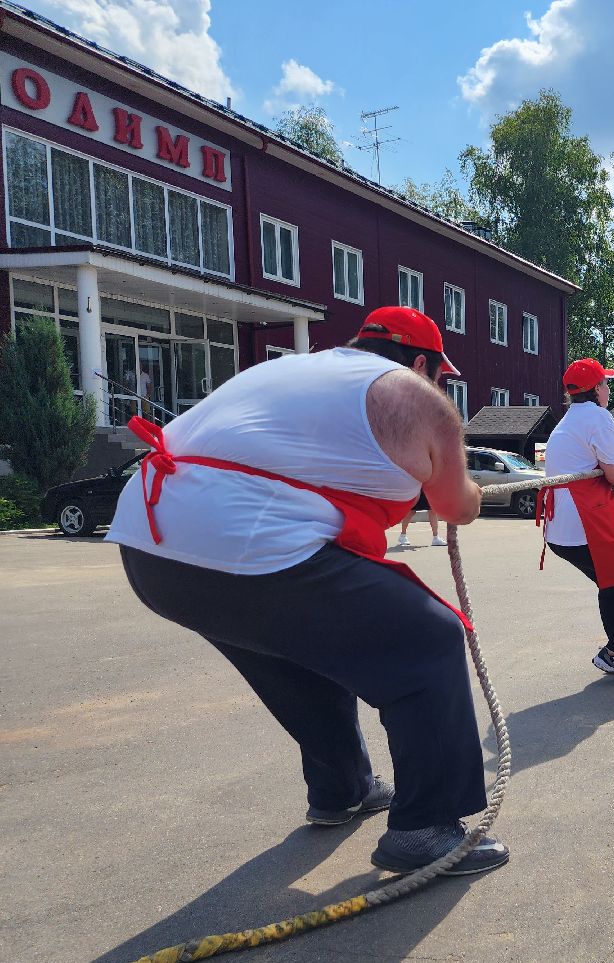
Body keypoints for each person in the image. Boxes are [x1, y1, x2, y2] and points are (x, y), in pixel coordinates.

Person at [106, 306, 509, 877]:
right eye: (441, 375)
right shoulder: (417, 397)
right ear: (423, 365)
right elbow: (456, 506)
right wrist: (471, 488)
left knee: (298, 652)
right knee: (429, 640)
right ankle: (424, 829)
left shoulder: (290, 370)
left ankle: (342, 788)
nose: (440, 385)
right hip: (248, 544)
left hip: (152, 550)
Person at [540, 358, 614, 683]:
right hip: (585, 524)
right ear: (596, 389)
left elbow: (612, 456)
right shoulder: (600, 417)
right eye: (606, 384)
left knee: (612, 582)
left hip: (561, 530)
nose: (608, 389)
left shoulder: (571, 419)